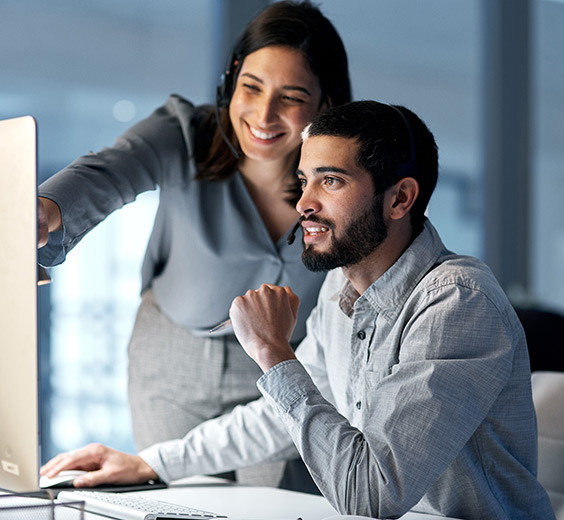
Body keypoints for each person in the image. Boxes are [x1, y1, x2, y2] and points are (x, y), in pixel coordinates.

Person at [41, 100, 556, 519]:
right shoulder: (341, 289)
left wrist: (271, 352)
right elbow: (278, 418)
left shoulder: (455, 302)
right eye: (304, 180)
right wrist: (151, 462)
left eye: (330, 181)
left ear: (400, 199)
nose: (303, 203)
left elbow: (372, 495)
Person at [37, 1, 351, 488]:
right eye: (251, 87)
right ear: (231, 79)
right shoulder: (185, 133)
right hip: (173, 359)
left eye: (290, 96)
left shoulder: (339, 181)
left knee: (276, 505)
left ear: (325, 104)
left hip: (279, 364)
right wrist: (48, 208)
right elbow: (111, 169)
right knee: (176, 498)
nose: (263, 114)